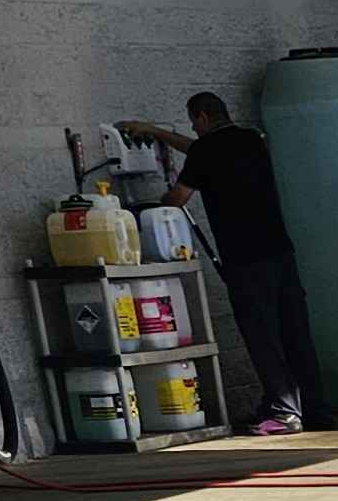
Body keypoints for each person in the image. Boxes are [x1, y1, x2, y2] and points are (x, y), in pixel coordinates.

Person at [121, 93, 321, 434]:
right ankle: (315, 409)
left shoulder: (206, 151)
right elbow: (202, 151)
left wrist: (155, 204)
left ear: (201, 117)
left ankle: (284, 412)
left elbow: (178, 196)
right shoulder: (251, 139)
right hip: (280, 251)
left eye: (193, 123)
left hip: (245, 258)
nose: (193, 129)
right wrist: (155, 132)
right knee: (294, 330)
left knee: (261, 334)